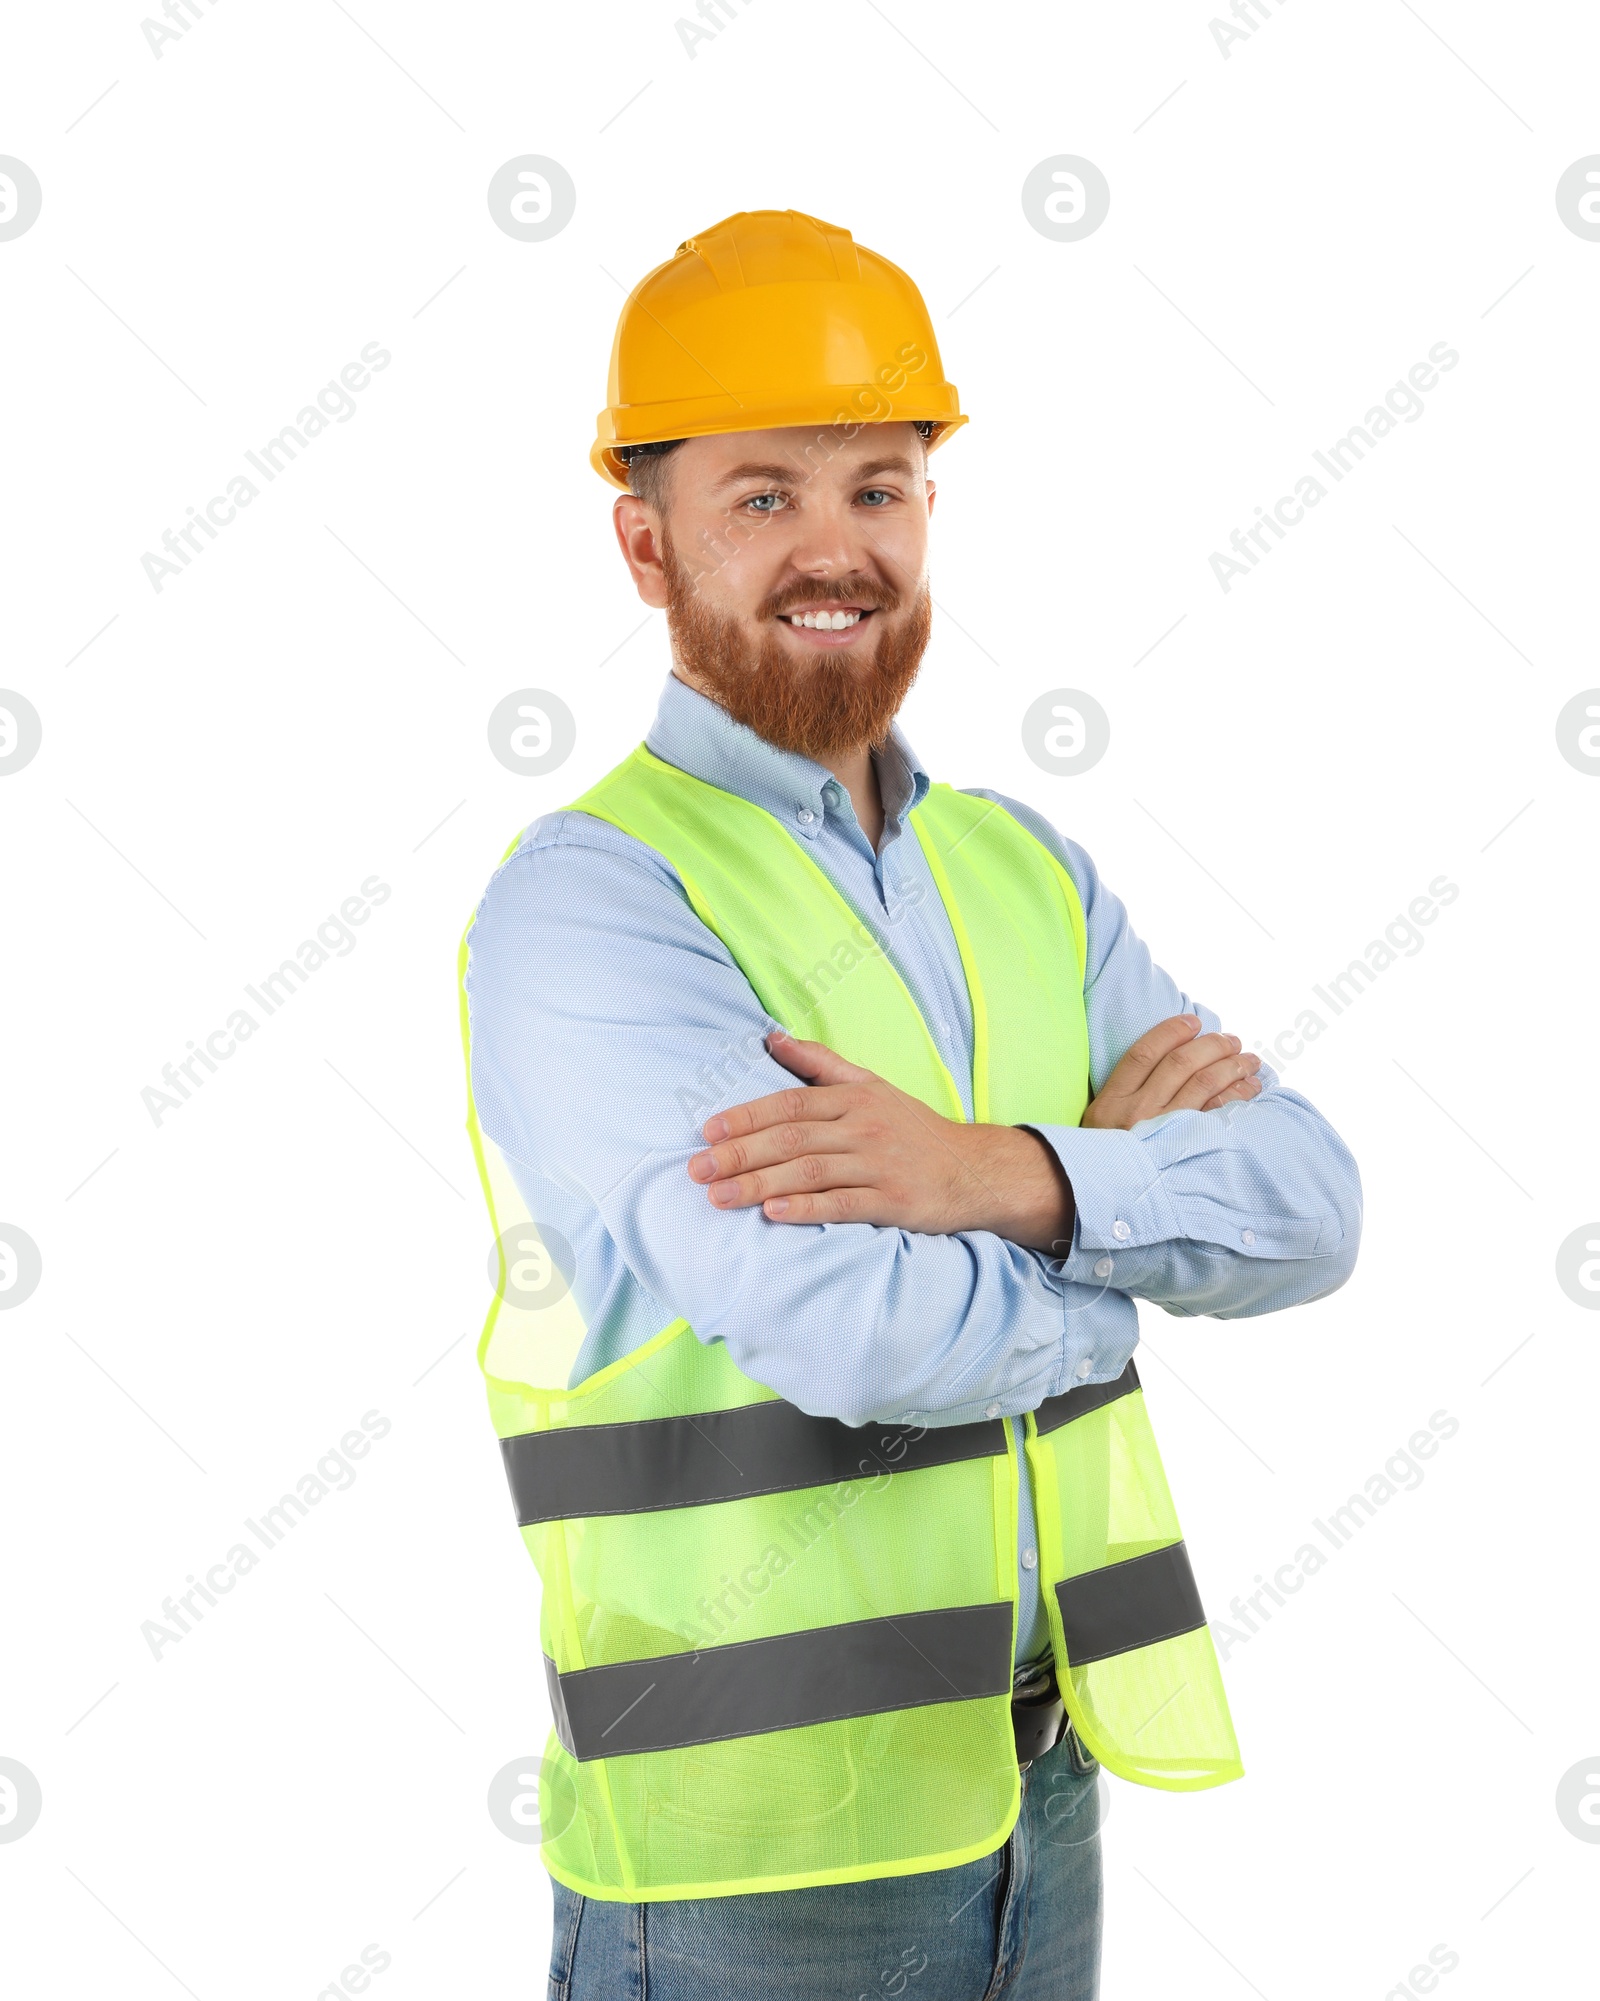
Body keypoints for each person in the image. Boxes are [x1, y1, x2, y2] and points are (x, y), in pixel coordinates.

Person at [461, 209, 1361, 2000]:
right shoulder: (598, 902)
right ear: (647, 544)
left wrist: (989, 1175)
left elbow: (1312, 1205)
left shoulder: (1021, 869)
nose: (836, 547)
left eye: (880, 485)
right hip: (747, 1849)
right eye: (764, 496)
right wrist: (1128, 1222)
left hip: (1046, 1783)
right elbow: (857, 1338)